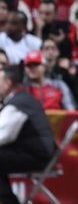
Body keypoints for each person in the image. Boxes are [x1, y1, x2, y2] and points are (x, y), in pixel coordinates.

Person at [0, 64, 56, 204]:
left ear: (8, 83)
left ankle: (7, 200)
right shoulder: (21, 99)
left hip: (38, 156)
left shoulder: (18, 103)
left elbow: (4, 135)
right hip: (40, 153)